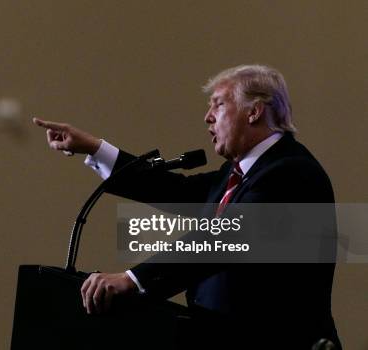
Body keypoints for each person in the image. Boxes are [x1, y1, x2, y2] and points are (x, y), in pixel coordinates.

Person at [33, 65, 341, 349]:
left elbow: (222, 240)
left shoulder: (291, 172)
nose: (207, 116)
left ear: (254, 112)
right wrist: (94, 147)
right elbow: (173, 190)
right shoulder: (236, 175)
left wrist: (133, 279)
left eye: (218, 104)